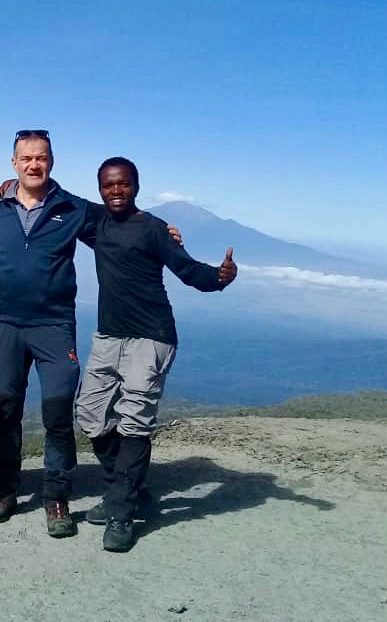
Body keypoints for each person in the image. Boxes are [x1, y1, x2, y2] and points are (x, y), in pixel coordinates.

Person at [0, 129, 183, 538]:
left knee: (59, 414)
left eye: (41, 157)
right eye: (26, 158)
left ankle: (55, 494)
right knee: (7, 411)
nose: (34, 165)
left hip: (54, 326)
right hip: (4, 323)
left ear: (51, 161)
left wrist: (163, 232)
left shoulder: (73, 208)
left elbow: (122, 220)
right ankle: (5, 489)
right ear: (14, 163)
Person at [75, 157, 237, 552]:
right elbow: (53, 198)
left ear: (136, 186)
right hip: (108, 336)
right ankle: (127, 492)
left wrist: (219, 277)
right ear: (100, 188)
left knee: (134, 422)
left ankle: (120, 512)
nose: (116, 191)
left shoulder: (153, 229)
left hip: (151, 337)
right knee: (91, 417)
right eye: (109, 185)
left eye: (124, 184)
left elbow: (187, 270)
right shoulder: (95, 221)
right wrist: (9, 186)